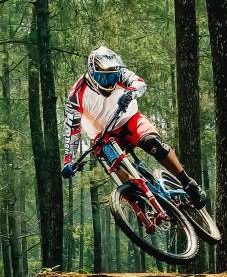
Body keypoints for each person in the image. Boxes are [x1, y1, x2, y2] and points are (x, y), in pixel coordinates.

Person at [61, 46, 207, 209]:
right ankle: (141, 200)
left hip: (130, 119)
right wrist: (69, 160)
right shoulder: (76, 95)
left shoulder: (121, 72)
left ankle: (188, 183)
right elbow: (72, 129)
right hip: (103, 136)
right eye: (103, 78)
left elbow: (139, 83)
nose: (109, 82)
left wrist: (130, 93)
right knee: (116, 167)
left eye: (112, 77)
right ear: (91, 73)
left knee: (153, 144)